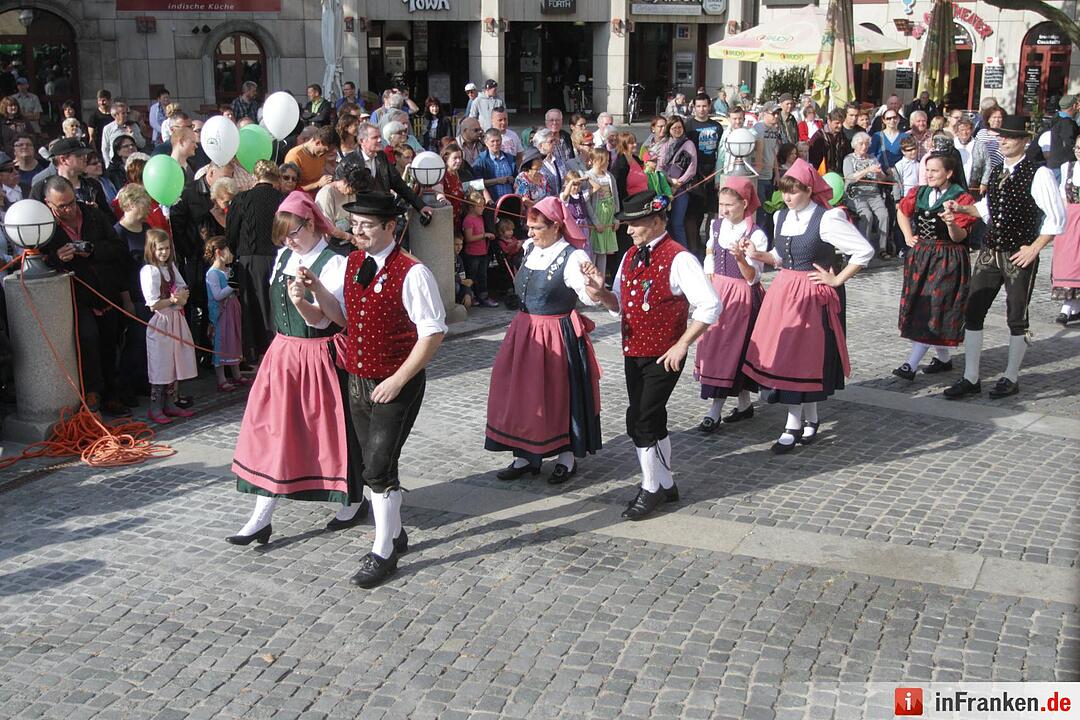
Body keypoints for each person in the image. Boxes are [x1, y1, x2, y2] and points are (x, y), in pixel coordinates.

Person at [320, 190, 447, 587]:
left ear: (391, 227)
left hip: (397, 381)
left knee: (378, 467)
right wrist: (314, 295)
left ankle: (384, 551)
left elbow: (432, 333)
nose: (357, 232)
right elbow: (342, 317)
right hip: (358, 378)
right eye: (354, 225)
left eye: (366, 226)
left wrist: (397, 379)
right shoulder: (354, 262)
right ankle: (393, 533)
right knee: (371, 465)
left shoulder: (413, 272)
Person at [228, 190, 363, 547]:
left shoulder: (336, 262)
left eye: (294, 231)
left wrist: (303, 301)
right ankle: (261, 517)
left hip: (321, 356)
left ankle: (352, 497)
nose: (289, 240)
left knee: (332, 432)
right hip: (284, 354)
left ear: (314, 223)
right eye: (283, 234)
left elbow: (327, 321)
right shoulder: (284, 256)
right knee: (273, 431)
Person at [579, 191, 720, 520]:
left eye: (635, 224)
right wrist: (600, 293)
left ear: (657, 222)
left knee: (640, 419)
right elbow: (617, 303)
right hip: (634, 351)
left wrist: (683, 343)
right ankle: (667, 482)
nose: (628, 230)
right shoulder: (630, 256)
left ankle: (651, 487)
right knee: (651, 418)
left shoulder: (680, 258)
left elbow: (710, 304)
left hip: (664, 353)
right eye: (627, 224)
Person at [742, 160, 875, 453]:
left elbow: (864, 250)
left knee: (802, 357)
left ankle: (793, 424)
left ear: (809, 190)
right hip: (784, 292)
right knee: (789, 354)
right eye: (785, 191)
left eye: (795, 191)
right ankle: (810, 418)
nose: (788, 197)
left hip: (812, 296)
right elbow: (780, 256)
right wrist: (758, 254)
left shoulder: (827, 218)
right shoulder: (781, 217)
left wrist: (836, 278)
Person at [944, 116, 1067, 400]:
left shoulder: (1039, 173)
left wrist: (1034, 248)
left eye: (1009, 137)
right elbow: (987, 209)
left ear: (1024, 141)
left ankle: (1011, 377)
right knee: (973, 310)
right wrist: (960, 209)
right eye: (1000, 136)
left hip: (1018, 253)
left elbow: (1056, 218)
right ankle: (971, 377)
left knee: (1016, 316)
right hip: (990, 250)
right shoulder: (998, 168)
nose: (1003, 141)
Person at [486, 196, 602, 484]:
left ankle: (566, 457)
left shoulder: (573, 257)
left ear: (556, 227)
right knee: (521, 393)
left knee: (558, 394)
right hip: (523, 332)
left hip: (556, 335)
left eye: (537, 228)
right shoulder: (529, 249)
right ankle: (525, 456)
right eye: (529, 227)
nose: (530, 233)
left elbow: (588, 297)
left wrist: (594, 287)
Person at [892, 153, 978, 382]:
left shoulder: (961, 198)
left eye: (934, 170)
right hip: (921, 256)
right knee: (920, 304)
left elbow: (960, 237)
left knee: (935, 307)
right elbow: (902, 210)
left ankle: (910, 364)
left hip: (948, 257)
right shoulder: (919, 192)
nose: (929, 175)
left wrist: (951, 223)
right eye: (927, 170)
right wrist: (908, 236)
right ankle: (943, 358)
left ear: (948, 173)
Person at [696, 177, 768, 432]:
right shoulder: (716, 226)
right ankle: (744, 404)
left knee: (732, 350)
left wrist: (740, 259)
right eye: (721, 204)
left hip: (741, 297)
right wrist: (709, 277)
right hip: (718, 291)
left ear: (744, 203)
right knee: (714, 346)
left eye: (729, 205)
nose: (724, 210)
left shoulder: (755, 234)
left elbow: (753, 277)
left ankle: (714, 411)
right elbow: (709, 251)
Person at [140, 228, 197, 424]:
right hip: (162, 321)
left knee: (175, 361)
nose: (164, 252)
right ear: (152, 250)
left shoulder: (171, 267)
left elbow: (182, 288)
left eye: (166, 248)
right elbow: (153, 303)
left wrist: (181, 297)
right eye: (160, 249)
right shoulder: (150, 271)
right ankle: (155, 407)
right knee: (161, 363)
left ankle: (171, 403)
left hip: (176, 319)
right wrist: (172, 300)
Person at [204, 235, 246, 391]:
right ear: (219, 253)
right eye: (229, 251)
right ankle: (221, 378)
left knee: (234, 339)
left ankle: (237, 373)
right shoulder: (213, 273)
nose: (232, 254)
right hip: (221, 314)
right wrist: (232, 287)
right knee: (221, 342)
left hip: (233, 310)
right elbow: (217, 295)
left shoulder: (229, 270)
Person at [685, 94, 724, 256]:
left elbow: (721, 152)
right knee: (694, 212)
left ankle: (710, 244)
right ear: (693, 107)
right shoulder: (688, 126)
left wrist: (718, 174)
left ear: (709, 106)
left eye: (704, 106)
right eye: (698, 106)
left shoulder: (716, 126)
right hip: (694, 174)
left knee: (712, 211)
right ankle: (694, 246)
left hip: (713, 171)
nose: (701, 109)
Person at [844, 132, 891, 258]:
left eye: (866, 144)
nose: (864, 147)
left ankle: (882, 248)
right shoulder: (848, 159)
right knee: (867, 216)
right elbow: (849, 178)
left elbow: (881, 180)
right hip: (857, 194)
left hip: (873, 194)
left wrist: (880, 173)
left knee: (883, 215)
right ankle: (864, 249)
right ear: (854, 145)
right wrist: (867, 170)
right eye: (861, 144)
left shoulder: (873, 159)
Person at [655, 114, 697, 247]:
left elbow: (692, 168)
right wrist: (669, 181)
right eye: (674, 128)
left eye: (679, 127)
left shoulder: (688, 144)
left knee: (677, 223)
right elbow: (660, 166)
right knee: (665, 223)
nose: (677, 130)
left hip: (681, 189)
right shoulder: (665, 144)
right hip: (665, 187)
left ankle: (682, 251)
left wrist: (678, 182)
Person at [1054, 138, 1080, 325]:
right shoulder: (1067, 167)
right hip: (1070, 219)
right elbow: (1063, 196)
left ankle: (1073, 307)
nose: (1079, 151)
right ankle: (1068, 305)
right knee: (1068, 262)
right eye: (1077, 147)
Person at [585, 147, 619, 282]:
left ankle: (601, 281)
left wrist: (616, 217)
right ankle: (591, 281)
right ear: (593, 161)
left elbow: (615, 195)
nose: (606, 163)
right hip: (596, 217)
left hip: (608, 217)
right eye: (602, 161)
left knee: (604, 251)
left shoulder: (609, 176)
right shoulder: (589, 176)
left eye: (607, 160)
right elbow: (587, 201)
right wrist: (595, 221)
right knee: (594, 251)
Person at [461, 189, 499, 307]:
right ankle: (470, 296)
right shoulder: (468, 220)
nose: (483, 208)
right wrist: (484, 235)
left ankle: (483, 296)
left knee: (482, 276)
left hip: (482, 252)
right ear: (472, 207)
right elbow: (468, 238)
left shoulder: (481, 217)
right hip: (472, 254)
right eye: (480, 206)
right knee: (472, 276)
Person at [284, 126, 333, 194]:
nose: (325, 154)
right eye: (325, 150)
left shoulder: (320, 154)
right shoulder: (295, 155)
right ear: (317, 142)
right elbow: (291, 188)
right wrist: (317, 184)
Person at [473, 128, 516, 204]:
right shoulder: (481, 161)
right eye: (492, 141)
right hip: (492, 202)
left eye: (498, 140)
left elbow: (517, 177)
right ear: (486, 143)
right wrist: (497, 181)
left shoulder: (509, 158)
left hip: (511, 202)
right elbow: (476, 184)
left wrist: (513, 179)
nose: (495, 144)